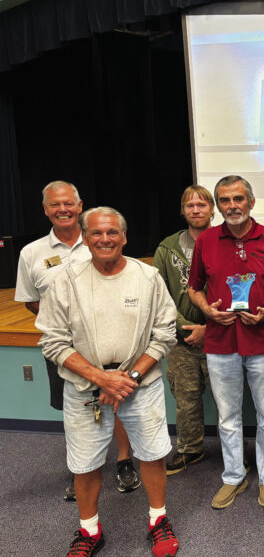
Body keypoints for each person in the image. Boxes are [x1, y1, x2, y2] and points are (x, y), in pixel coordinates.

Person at [36, 207, 179, 557]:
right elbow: (53, 341)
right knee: (84, 462)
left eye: (112, 232)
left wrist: (129, 377)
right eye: (97, 233)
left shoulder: (147, 277)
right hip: (85, 388)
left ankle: (158, 520)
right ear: (85, 238)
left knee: (152, 453)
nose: (105, 239)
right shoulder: (65, 281)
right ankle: (90, 530)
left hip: (139, 383)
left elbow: (164, 334)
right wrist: (101, 378)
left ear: (124, 237)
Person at [15, 181, 140, 501]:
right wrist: (66, 322)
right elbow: (31, 300)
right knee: (74, 410)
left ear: (80, 205)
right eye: (55, 205)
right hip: (62, 350)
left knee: (117, 402)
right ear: (45, 210)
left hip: (109, 343)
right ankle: (81, 469)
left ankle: (124, 461)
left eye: (68, 203)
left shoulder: (100, 240)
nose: (63, 209)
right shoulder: (31, 253)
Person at [187, 175, 264, 510]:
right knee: (228, 417)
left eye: (238, 199)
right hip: (220, 341)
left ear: (251, 202)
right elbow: (194, 288)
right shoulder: (206, 240)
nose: (232, 206)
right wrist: (206, 310)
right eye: (225, 200)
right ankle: (233, 476)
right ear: (218, 206)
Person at [153, 185, 214, 474]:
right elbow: (159, 294)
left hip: (222, 337)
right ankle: (190, 449)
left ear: (212, 209)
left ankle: (236, 451)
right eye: (190, 205)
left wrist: (209, 328)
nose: (196, 210)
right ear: (182, 210)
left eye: (202, 204)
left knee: (228, 401)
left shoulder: (226, 242)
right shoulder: (167, 248)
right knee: (186, 399)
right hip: (181, 340)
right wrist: (186, 328)